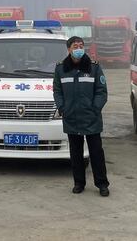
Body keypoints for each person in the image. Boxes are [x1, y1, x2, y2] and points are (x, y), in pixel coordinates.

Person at [53, 36, 110, 196]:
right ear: (69, 49)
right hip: (71, 116)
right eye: (75, 46)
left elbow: (101, 91)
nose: (79, 49)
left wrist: (95, 108)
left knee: (96, 152)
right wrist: (62, 107)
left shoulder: (94, 67)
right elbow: (57, 91)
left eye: (81, 46)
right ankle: (79, 183)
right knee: (75, 153)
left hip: (91, 117)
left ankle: (102, 184)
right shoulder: (60, 69)